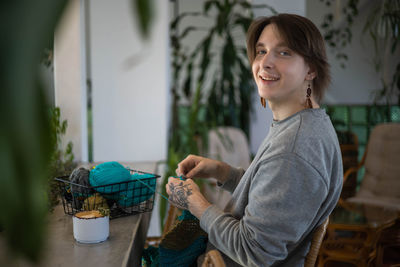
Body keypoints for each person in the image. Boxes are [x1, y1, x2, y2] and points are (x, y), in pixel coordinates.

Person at [166, 13, 343, 266]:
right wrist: (223, 172)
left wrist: (197, 204)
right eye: (261, 51)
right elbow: (274, 197)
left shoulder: (294, 149)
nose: (265, 63)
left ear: (311, 69)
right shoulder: (305, 123)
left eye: (284, 53)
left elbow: (255, 251)